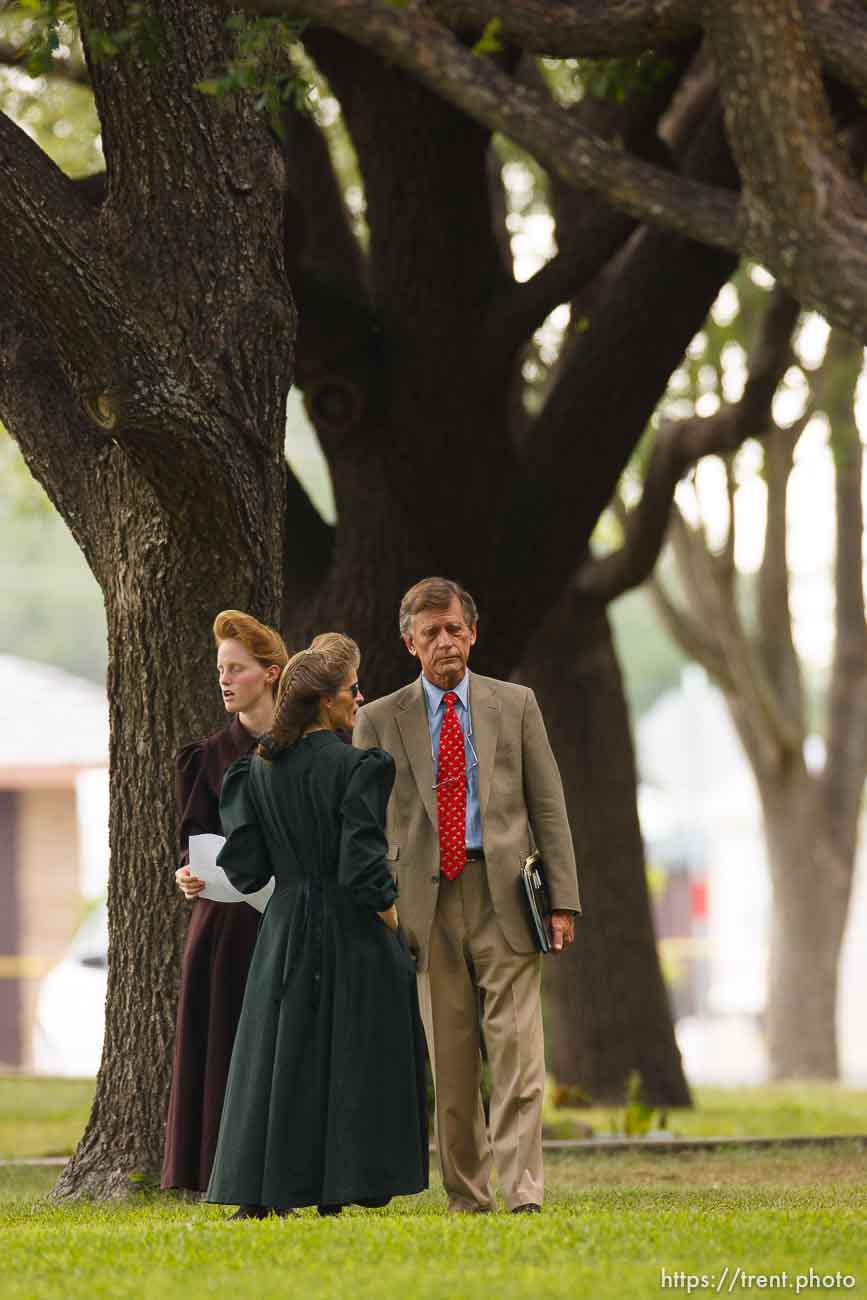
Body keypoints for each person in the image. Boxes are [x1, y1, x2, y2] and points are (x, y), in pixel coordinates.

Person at [353, 576, 581, 1215]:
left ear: (473, 632)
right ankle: (469, 1195)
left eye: (455, 629)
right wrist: (379, 907)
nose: (446, 642)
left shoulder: (517, 704)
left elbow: (549, 805)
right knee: (451, 1064)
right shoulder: (377, 720)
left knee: (518, 1051)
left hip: (506, 893)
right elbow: (364, 824)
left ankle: (525, 1194)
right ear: (410, 643)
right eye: (431, 634)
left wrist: (562, 899)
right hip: (423, 907)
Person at [206, 639, 428, 1218]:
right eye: (354, 689)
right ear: (328, 702)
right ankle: (343, 1184)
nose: (361, 697)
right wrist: (396, 925)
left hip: (283, 930)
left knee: (282, 1056)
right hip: (349, 930)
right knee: (348, 1055)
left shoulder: (253, 770)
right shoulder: (359, 766)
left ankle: (266, 1193)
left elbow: (247, 867)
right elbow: (362, 868)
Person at [161, 610, 289, 1194]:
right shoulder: (206, 756)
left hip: (287, 924)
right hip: (224, 931)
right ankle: (219, 1172)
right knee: (223, 1049)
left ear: (271, 673)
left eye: (236, 668)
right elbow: (193, 844)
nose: (225, 679)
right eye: (221, 669)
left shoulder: (312, 747)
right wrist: (185, 875)